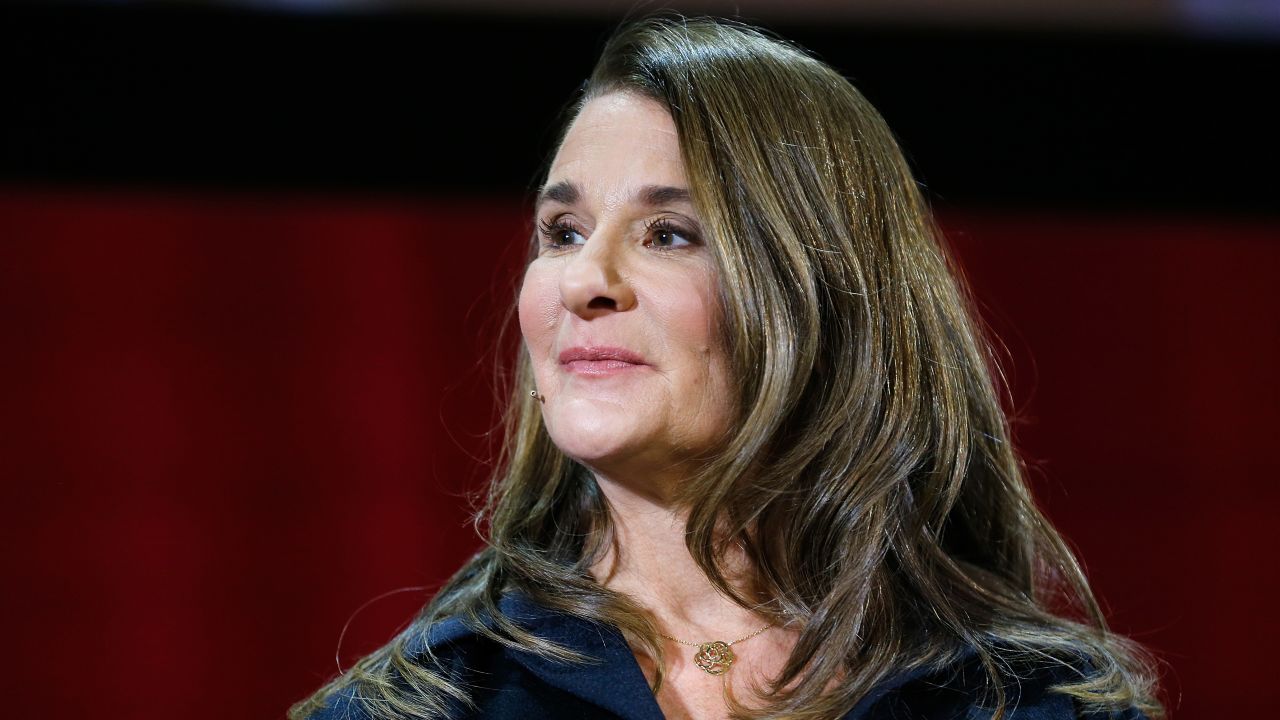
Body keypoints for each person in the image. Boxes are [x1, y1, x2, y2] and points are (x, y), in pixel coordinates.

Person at [291, 15, 1162, 720]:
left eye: (669, 234)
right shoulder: (423, 706)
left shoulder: (1035, 704)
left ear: (820, 293)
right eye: (563, 232)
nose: (585, 280)